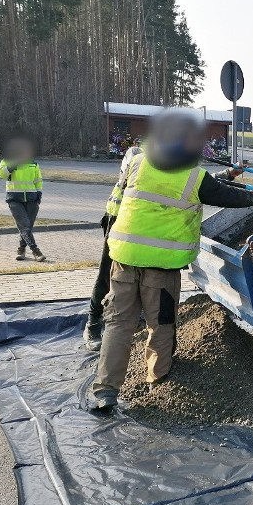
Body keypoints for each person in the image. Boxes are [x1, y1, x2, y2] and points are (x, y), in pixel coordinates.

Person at [92, 108, 253, 409]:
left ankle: (105, 391)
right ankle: (159, 381)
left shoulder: (138, 161)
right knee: (160, 324)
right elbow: (222, 194)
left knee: (118, 324)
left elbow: (198, 185)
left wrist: (228, 174)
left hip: (123, 258)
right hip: (160, 267)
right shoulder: (192, 176)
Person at [82, 144, 144, 351]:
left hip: (138, 226)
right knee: (107, 275)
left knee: (138, 275)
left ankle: (132, 317)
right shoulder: (137, 158)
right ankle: (93, 323)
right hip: (117, 223)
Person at [0, 136, 46, 262]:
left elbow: (38, 180)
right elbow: (1, 173)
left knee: (27, 227)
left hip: (32, 199)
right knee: (24, 226)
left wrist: (38, 194)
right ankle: (36, 251)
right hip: (14, 198)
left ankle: (21, 249)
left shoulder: (33, 163)